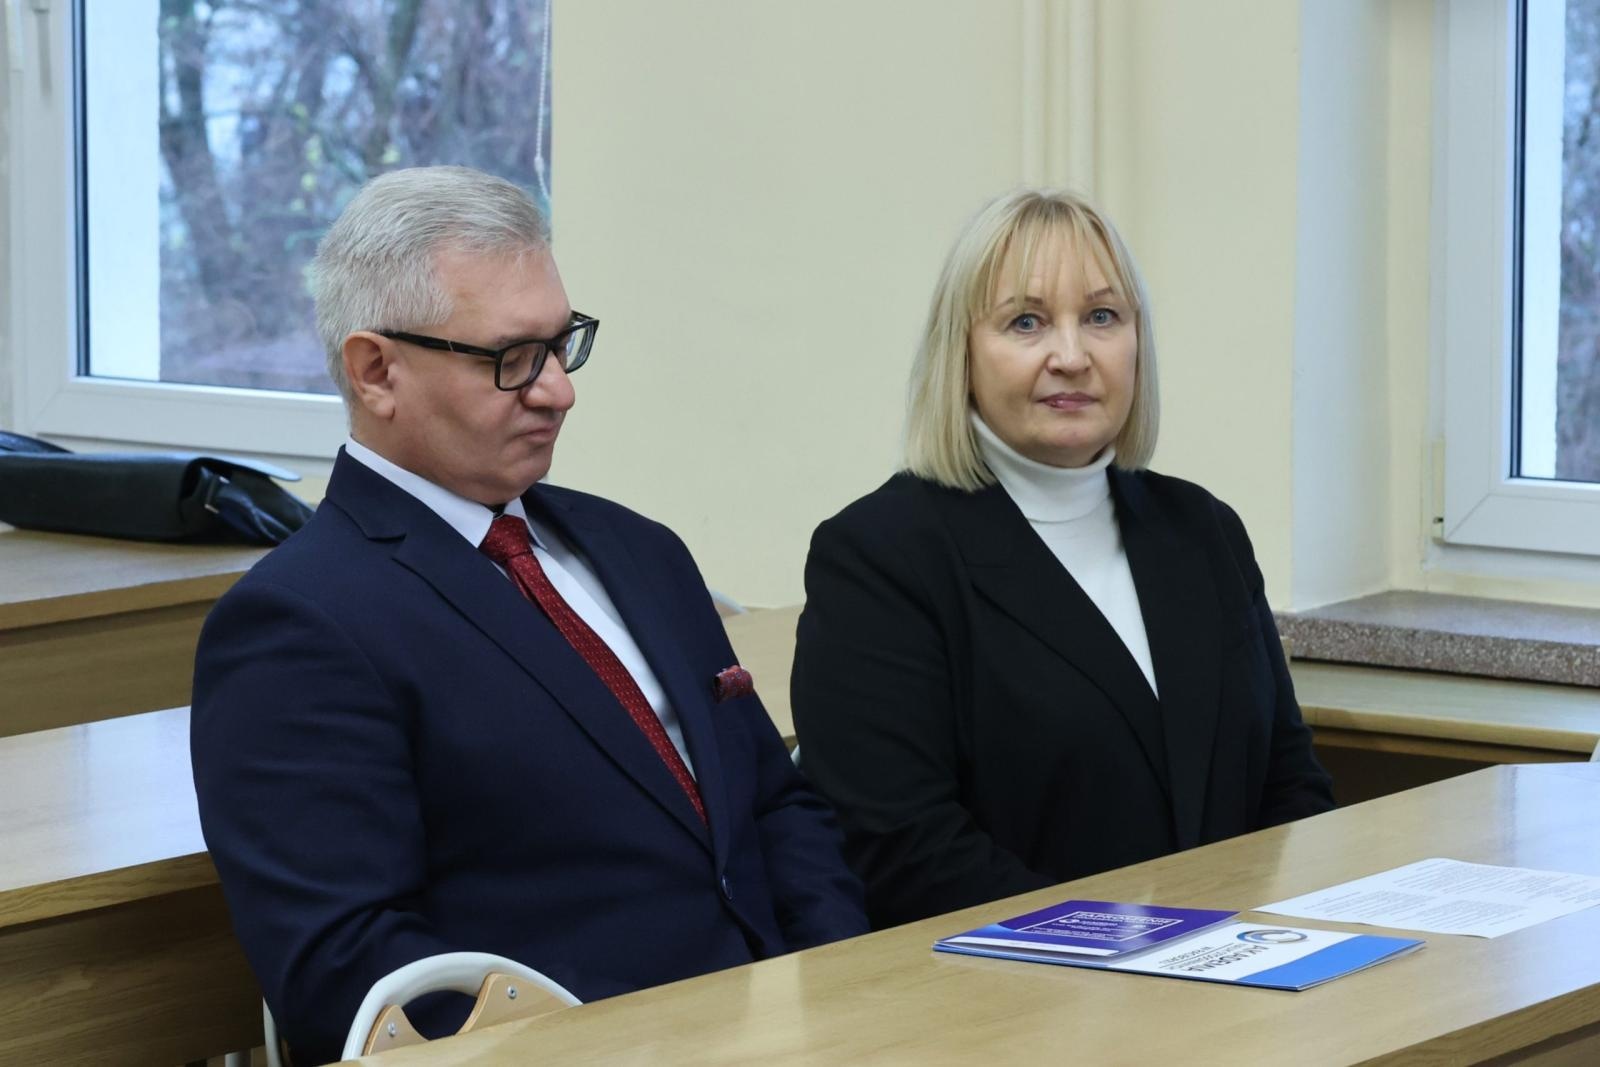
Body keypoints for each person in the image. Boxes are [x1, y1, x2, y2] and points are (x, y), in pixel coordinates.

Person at [190, 165, 866, 1065]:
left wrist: (841, 987)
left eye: (561, 345)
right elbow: (349, 970)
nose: (558, 391)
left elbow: (776, 809)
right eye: (512, 359)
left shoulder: (640, 551)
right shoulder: (298, 625)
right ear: (375, 369)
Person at [790, 188, 1334, 930]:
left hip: (1233, 978)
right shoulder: (881, 557)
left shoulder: (1203, 531)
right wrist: (1138, 950)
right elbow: (905, 853)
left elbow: (1289, 784)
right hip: (1011, 1008)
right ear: (962, 352)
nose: (1072, 356)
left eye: (1102, 317)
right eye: (1026, 321)